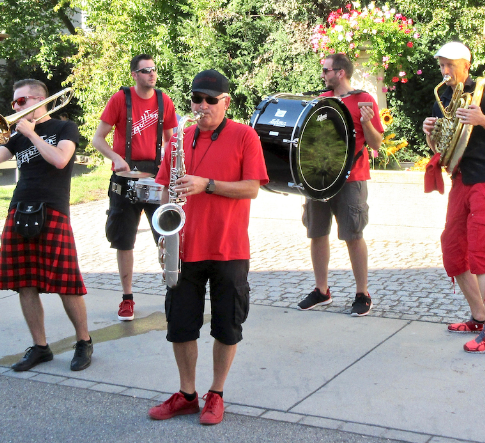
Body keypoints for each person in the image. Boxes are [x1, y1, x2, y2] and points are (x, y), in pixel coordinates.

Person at [0, 79, 93, 371]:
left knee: (67, 284)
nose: (14, 108)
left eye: (21, 102)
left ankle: (83, 341)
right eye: (14, 103)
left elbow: (61, 160)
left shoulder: (64, 128)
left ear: (40, 100)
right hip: (19, 209)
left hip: (53, 209)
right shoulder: (15, 136)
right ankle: (40, 346)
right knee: (24, 283)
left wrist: (32, 133)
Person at [148, 70, 268, 425]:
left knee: (227, 326)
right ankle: (187, 394)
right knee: (180, 326)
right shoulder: (178, 140)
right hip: (183, 248)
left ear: (226, 102)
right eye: (196, 99)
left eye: (210, 100)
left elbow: (251, 188)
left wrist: (208, 184)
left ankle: (215, 393)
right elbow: (165, 189)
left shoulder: (245, 136)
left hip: (228, 248)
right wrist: (163, 233)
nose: (202, 106)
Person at [422, 42, 485, 353]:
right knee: (452, 247)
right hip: (461, 179)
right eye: (441, 66)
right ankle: (479, 316)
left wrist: (481, 119)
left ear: (465, 65)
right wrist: (429, 133)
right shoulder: (441, 102)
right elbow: (442, 152)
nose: (445, 72)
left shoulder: (484, 92)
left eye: (450, 65)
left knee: (481, 253)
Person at [92, 54, 178, 322]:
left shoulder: (164, 100)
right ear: (134, 74)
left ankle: (173, 294)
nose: (151, 74)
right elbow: (98, 138)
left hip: (155, 179)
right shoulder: (121, 99)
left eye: (154, 69)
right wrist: (115, 158)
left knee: (165, 238)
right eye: (145, 70)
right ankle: (127, 298)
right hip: (124, 179)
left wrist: (170, 166)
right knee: (123, 240)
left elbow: (171, 141)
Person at [297, 53, 384, 316]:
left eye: (326, 71)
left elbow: (377, 143)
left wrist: (367, 121)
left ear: (340, 72)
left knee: (353, 235)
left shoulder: (364, 99)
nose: (323, 75)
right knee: (317, 233)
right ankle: (321, 291)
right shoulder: (322, 101)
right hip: (319, 178)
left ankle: (362, 293)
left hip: (351, 178)